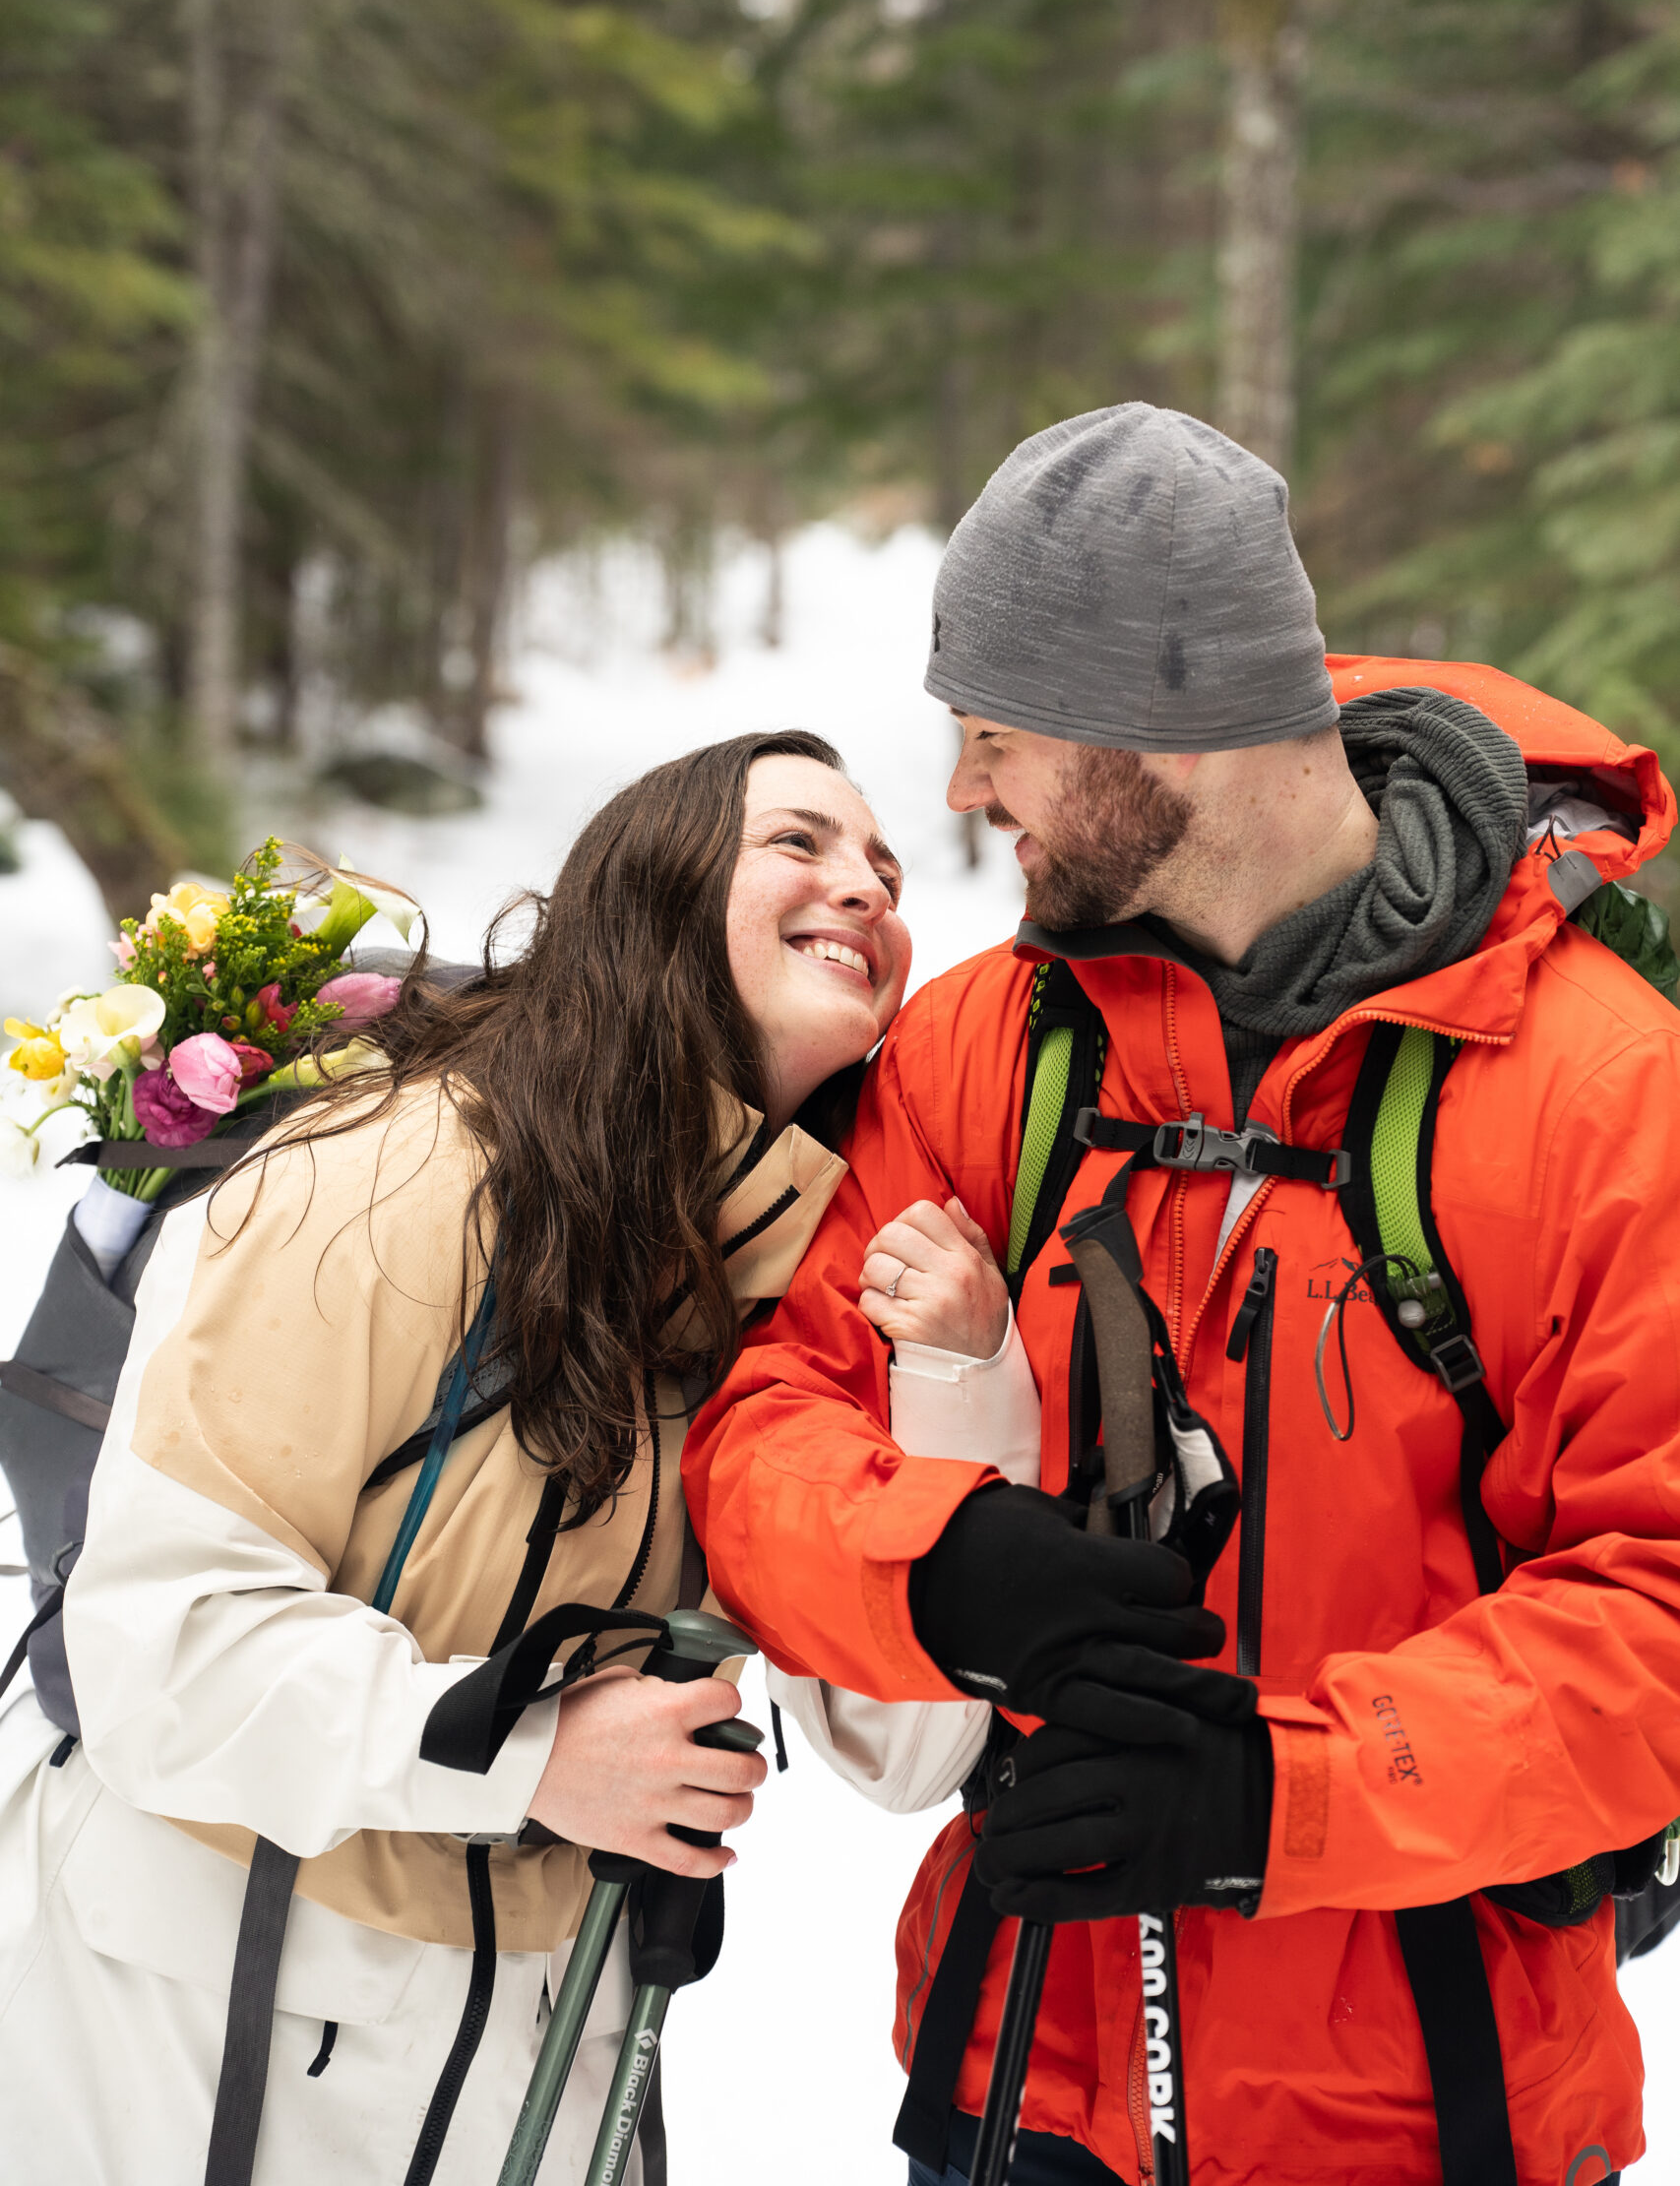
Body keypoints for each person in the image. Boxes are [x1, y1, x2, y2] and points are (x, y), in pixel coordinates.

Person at [684, 403, 1680, 2185]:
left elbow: (1661, 1611)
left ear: (1179, 727)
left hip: (1429, 2110)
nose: (964, 799)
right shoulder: (992, 1045)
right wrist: (939, 1565)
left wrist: (1276, 1799)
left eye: (996, 740)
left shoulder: (1607, 1096)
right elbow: (770, 1425)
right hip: (1022, 2080)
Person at [0, 728, 913, 2186]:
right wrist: (534, 1753)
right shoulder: (392, 1173)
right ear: (655, 881)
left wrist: (962, 1378)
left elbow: (901, 1746)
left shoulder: (788, 1278)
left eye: (888, 866)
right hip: (190, 2031)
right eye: (799, 842)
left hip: (525, 2061)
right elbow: (156, 1649)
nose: (865, 885)